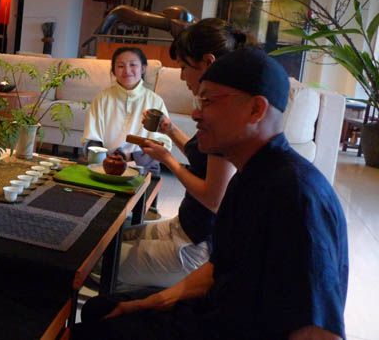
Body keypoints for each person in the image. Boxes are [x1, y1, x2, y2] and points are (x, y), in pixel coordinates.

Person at [74, 48, 348, 340]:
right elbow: (217, 270)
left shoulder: (297, 196)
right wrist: (149, 303)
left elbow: (319, 331)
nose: (195, 113)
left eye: (207, 101)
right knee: (100, 308)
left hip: (227, 328)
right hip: (213, 309)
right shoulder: (246, 176)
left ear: (256, 110)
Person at [115, 19, 245, 288]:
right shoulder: (218, 104)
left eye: (184, 67)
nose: (182, 76)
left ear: (208, 63)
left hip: (194, 247)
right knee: (110, 238)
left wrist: (168, 160)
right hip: (182, 226)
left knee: (101, 260)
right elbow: (203, 156)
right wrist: (169, 129)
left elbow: (214, 199)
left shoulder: (226, 117)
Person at [82, 47, 172, 169]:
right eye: (120, 66)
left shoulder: (155, 101)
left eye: (133, 65)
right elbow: (91, 138)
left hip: (141, 165)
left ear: (143, 68)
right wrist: (105, 159)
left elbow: (163, 143)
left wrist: (133, 159)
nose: (127, 70)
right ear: (113, 70)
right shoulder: (102, 99)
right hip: (106, 163)